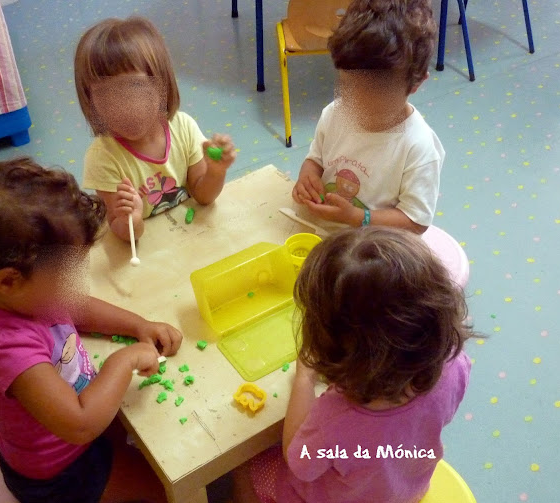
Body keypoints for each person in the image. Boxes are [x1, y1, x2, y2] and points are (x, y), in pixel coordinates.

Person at [0, 157, 182, 503]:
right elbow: (80, 423)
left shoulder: (18, 295)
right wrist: (124, 361)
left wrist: (139, 324)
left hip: (82, 428)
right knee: (165, 490)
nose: (74, 285)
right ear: (8, 281)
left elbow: (75, 306)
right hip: (62, 472)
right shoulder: (1, 347)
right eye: (66, 275)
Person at [233, 227, 474, 503]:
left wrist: (304, 379)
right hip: (409, 487)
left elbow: (297, 462)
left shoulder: (337, 415)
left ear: (337, 348)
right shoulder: (455, 364)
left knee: (245, 468)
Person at [75, 16, 236, 242]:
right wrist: (131, 221)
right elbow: (121, 231)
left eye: (135, 88)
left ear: (162, 85)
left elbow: (204, 197)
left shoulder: (183, 127)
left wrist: (215, 172)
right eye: (106, 96)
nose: (123, 107)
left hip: (193, 240)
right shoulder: (102, 158)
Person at [292, 0, 444, 234]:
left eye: (378, 92)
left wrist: (358, 218)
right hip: (327, 233)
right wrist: (308, 176)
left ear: (416, 83)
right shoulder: (334, 113)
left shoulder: (419, 147)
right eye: (349, 86)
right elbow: (316, 160)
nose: (359, 102)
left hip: (379, 246)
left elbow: (416, 222)